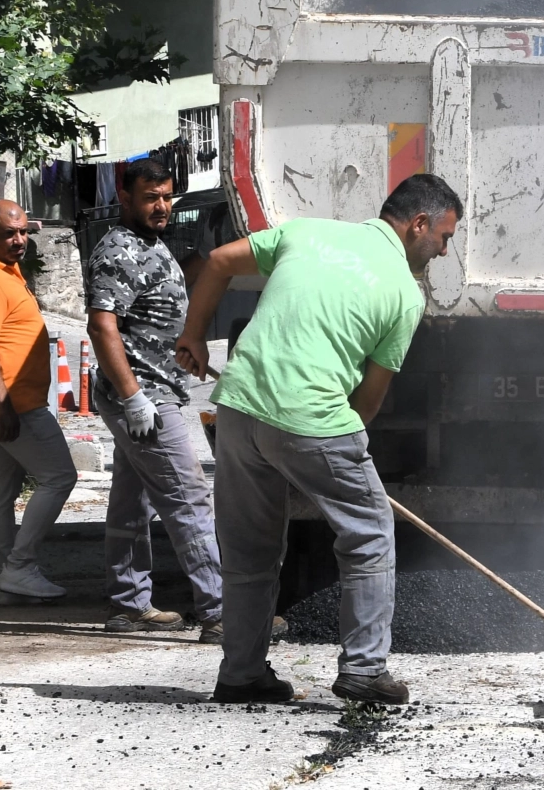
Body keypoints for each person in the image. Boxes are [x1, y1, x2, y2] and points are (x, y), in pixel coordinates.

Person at [174, 173, 461, 706]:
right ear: (418, 224)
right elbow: (367, 404)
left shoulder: (306, 233)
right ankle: (364, 669)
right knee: (371, 533)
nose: (444, 250)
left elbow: (215, 262)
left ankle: (240, 673)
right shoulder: (403, 294)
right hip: (314, 418)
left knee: (251, 552)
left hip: (237, 408)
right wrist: (327, 453)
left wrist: (192, 334)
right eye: (444, 237)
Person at [86, 157, 224, 637]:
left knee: (132, 501)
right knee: (188, 499)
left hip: (153, 386)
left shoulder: (151, 243)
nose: (162, 206)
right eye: (151, 198)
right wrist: (133, 398)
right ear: (124, 198)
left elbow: (149, 315)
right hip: (142, 397)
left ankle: (127, 603)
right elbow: (102, 327)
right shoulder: (118, 249)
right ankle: (221, 612)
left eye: (167, 196)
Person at [0, 200, 78, 602]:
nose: (19, 240)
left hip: (2, 403)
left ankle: (9, 573)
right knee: (60, 476)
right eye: (9, 234)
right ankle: (19, 567)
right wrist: (5, 404)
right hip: (14, 405)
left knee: (1, 492)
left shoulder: (1, 268)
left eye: (24, 231)